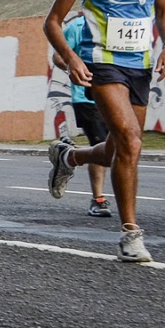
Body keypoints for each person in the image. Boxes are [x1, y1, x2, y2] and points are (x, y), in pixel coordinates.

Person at [44, 0, 165, 263]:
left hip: (140, 64)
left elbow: (163, 8)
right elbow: (52, 21)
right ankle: (131, 235)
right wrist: (71, 58)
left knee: (120, 147)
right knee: (131, 141)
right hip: (102, 64)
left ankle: (69, 157)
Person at [53, 13, 113, 217]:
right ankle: (98, 200)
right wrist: (73, 68)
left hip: (115, 96)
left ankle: (68, 157)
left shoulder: (117, 22)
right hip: (86, 98)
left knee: (119, 148)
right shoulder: (76, 26)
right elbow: (58, 56)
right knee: (101, 145)